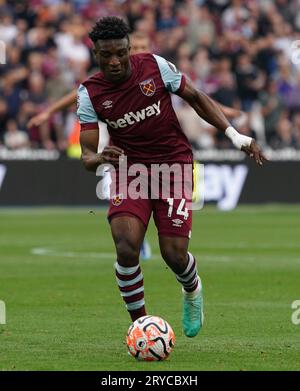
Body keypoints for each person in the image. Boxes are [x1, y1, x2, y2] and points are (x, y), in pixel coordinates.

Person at [77, 17, 266, 338]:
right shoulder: (90, 93)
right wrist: (98, 158)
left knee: (174, 254)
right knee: (126, 246)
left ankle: (192, 290)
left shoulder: (154, 66)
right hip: (130, 171)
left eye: (121, 53)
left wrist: (235, 136)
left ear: (128, 49)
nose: (114, 61)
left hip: (173, 166)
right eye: (106, 55)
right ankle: (141, 326)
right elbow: (86, 156)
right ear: (95, 53)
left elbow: (195, 97)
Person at [28, 31, 153, 261]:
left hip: (154, 141)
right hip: (122, 137)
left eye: (146, 45)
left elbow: (193, 94)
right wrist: (49, 112)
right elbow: (80, 92)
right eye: (139, 45)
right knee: (124, 183)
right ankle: (135, 234)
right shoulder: (109, 75)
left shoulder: (155, 70)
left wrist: (224, 117)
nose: (142, 49)